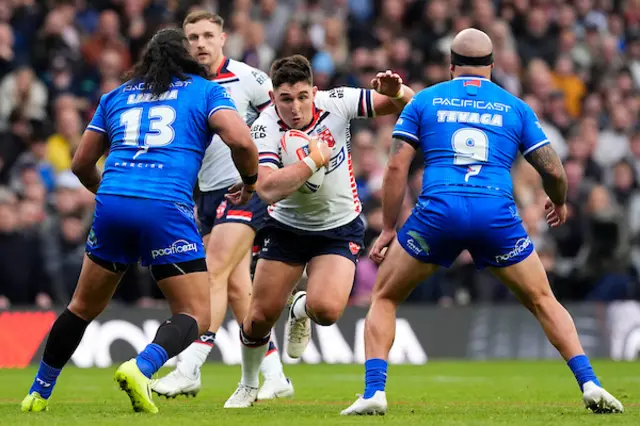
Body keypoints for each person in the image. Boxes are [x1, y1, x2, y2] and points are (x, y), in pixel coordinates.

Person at [341, 28, 624, 416]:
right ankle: (590, 383)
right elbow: (555, 170)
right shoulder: (515, 106)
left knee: (386, 297)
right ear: (492, 66)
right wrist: (557, 202)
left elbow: (395, 166)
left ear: (450, 65)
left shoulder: (424, 100)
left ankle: (375, 391)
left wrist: (389, 228)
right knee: (543, 300)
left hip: (437, 213)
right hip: (496, 214)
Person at [20, 28, 259, 414]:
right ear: (186, 58)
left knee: (81, 307)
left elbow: (81, 163)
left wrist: (110, 194)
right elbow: (243, 142)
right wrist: (249, 185)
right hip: (166, 206)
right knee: (195, 315)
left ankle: (38, 393)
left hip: (113, 202)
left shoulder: (115, 96)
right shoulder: (205, 90)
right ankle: (141, 365)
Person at [224, 54, 415, 408]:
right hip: (286, 227)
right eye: (285, 99)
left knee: (326, 311)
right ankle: (249, 384)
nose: (294, 107)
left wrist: (398, 91)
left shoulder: (337, 102)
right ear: (273, 96)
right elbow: (266, 189)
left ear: (314, 91)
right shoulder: (265, 127)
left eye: (302, 97)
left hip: (338, 227)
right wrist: (313, 161)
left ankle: (300, 310)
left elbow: (407, 106)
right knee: (258, 318)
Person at [150, 11, 292, 401]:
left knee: (212, 270)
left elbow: (285, 118)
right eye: (192, 36)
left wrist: (268, 167)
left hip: (245, 190)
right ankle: (275, 373)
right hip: (208, 194)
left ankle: (189, 365)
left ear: (223, 38)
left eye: (207, 35)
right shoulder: (185, 84)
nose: (199, 43)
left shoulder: (249, 79)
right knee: (236, 289)